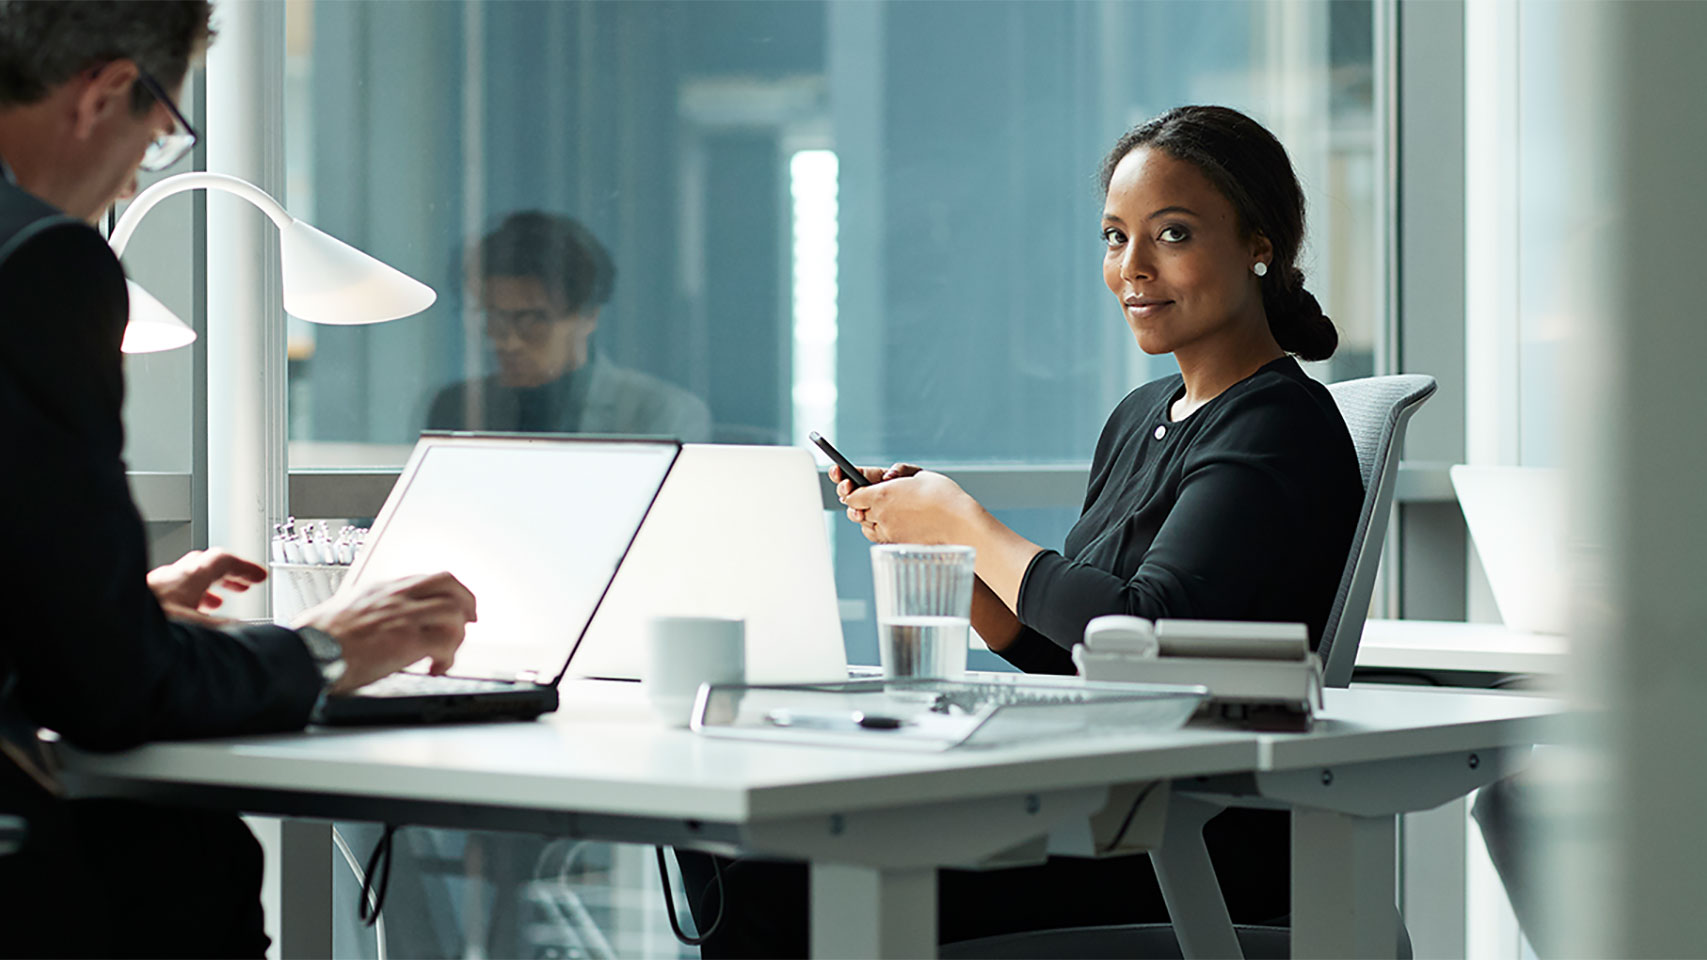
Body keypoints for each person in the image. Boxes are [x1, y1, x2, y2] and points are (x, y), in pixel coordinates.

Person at [678, 105, 1364, 954]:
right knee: (723, 859)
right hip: (1108, 802)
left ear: (1259, 244)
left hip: (1193, 833)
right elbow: (1067, 656)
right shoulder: (1141, 415)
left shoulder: (1277, 423)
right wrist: (950, 557)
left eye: (1172, 234)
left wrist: (967, 519)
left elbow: (1141, 632)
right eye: (1114, 238)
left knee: (778, 889)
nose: (1132, 269)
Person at [0, 4, 477, 956]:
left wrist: (103, 605)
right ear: (102, 92)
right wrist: (327, 651)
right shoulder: (41, 262)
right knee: (182, 858)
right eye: (162, 129)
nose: (140, 172)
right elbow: (109, 692)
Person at [423, 210, 712, 441]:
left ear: (588, 316)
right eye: (491, 317)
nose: (507, 341)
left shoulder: (658, 413)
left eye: (533, 320)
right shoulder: (455, 407)